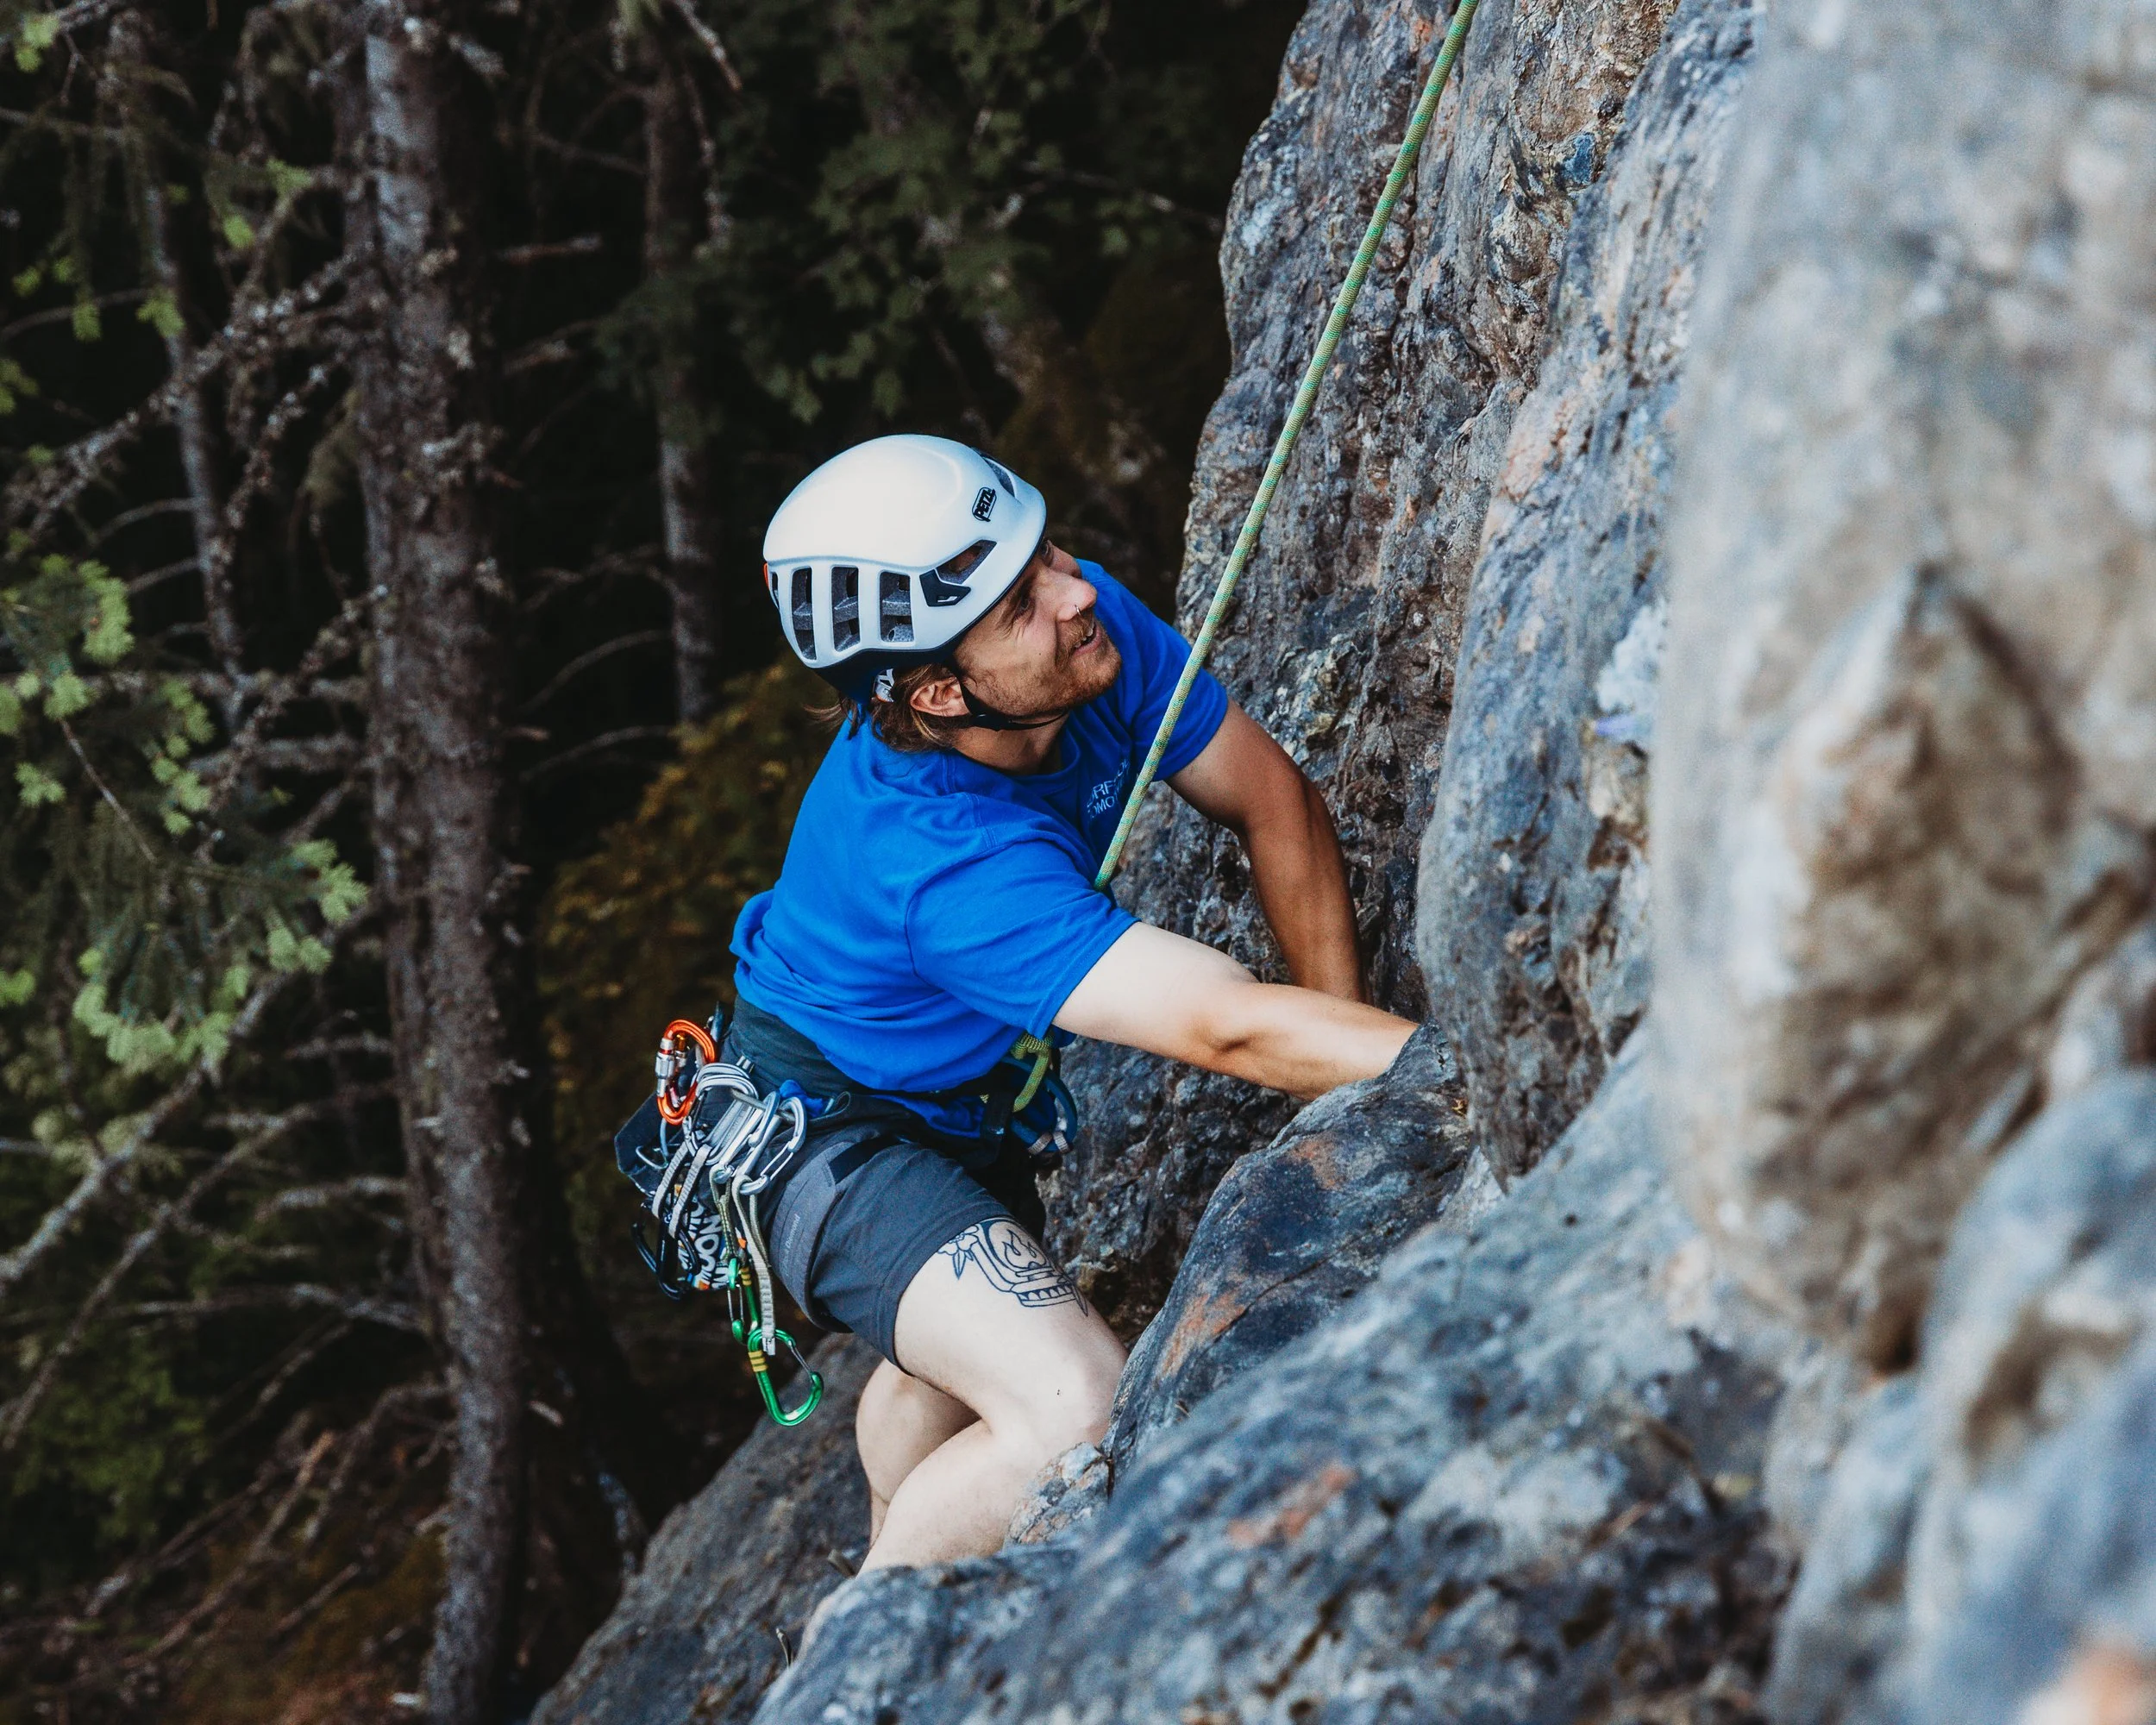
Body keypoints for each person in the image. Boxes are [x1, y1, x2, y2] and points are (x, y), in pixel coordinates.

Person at [727, 435, 1416, 1574]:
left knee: (945, 1377)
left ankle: (913, 1550)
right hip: (829, 1138)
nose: (1075, 591)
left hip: (946, 1098)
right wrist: (1456, 1073)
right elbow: (1227, 1023)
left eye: (1049, 553)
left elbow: (1273, 803)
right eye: (1020, 601)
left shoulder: (1070, 644)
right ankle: (860, 1659)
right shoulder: (940, 861)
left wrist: (1342, 1097)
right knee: (1076, 1407)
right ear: (942, 691)